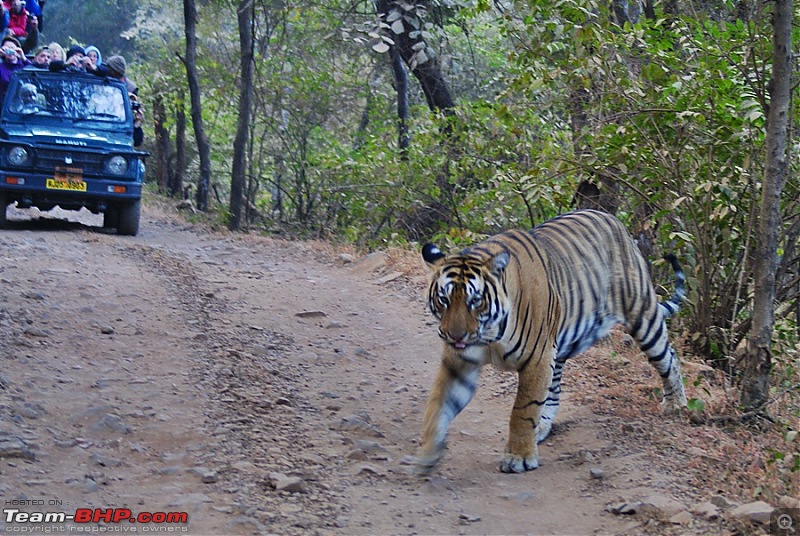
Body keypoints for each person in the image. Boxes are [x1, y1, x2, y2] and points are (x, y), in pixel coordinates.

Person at [0, 37, 29, 101]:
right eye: (6, 48)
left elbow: (34, 72)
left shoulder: (24, 66)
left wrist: (23, 58)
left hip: (23, 101)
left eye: (12, 48)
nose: (10, 51)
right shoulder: (1, 67)